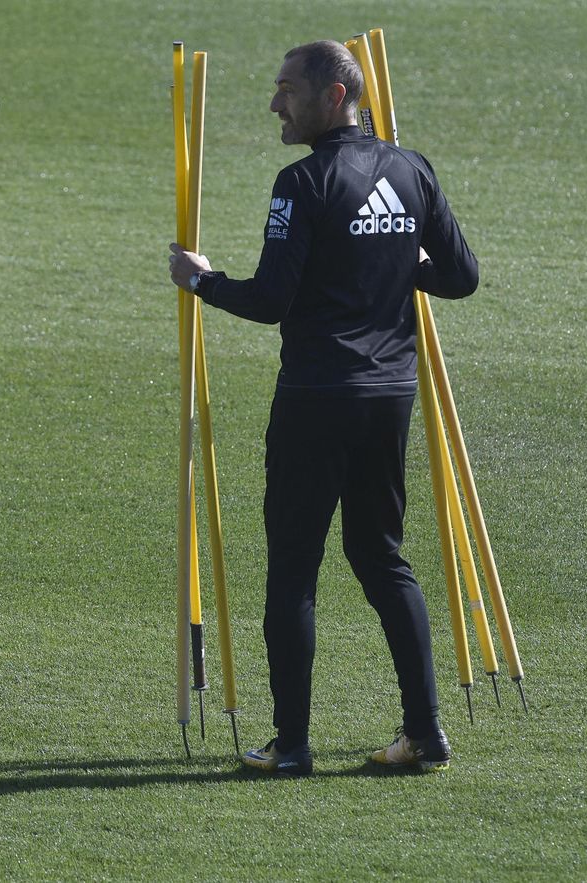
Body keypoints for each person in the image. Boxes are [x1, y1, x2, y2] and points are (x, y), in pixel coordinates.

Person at [168, 40, 479, 776]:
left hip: (316, 398)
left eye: (287, 91)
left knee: (293, 571)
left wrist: (202, 282)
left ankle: (292, 744)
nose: (276, 103)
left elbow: (271, 299)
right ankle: (425, 732)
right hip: (390, 396)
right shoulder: (413, 169)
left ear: (334, 96)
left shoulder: (300, 182)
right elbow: (461, 276)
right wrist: (395, 264)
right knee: (381, 557)